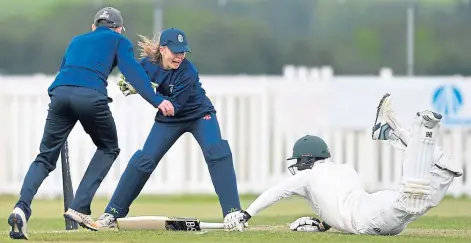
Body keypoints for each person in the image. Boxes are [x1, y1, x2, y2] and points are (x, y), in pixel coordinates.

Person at [7, 7, 171, 239]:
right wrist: (157, 100)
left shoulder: (77, 40)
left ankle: (21, 208)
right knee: (108, 147)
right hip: (91, 97)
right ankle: (79, 207)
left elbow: (66, 70)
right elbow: (133, 72)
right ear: (119, 28)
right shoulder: (119, 40)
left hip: (60, 94)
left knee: (45, 157)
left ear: (94, 26)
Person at [224, 93, 463, 235]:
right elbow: (339, 203)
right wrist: (324, 224)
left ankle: (406, 130)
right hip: (375, 210)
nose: (297, 167)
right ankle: (414, 149)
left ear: (307, 159)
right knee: (419, 202)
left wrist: (247, 213)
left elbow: (275, 192)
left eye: (299, 161)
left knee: (413, 199)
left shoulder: (308, 176)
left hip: (369, 219)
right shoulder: (344, 169)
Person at [95, 28, 242, 228]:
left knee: (216, 151)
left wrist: (147, 89)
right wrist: (131, 83)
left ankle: (233, 212)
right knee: (143, 160)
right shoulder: (147, 65)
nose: (180, 56)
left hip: (198, 114)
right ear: (163, 50)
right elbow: (130, 76)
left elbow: (172, 108)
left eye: (183, 52)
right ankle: (112, 214)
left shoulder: (188, 72)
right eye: (175, 51)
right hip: (169, 120)